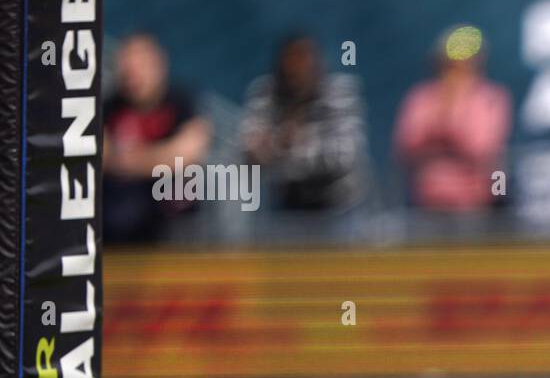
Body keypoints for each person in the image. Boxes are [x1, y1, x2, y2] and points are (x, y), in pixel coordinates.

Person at [102, 33, 211, 244]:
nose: (133, 77)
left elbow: (188, 153)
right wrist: (159, 158)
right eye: (127, 70)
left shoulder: (181, 102)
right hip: (118, 225)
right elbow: (101, 154)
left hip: (172, 224)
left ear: (157, 65)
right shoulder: (110, 108)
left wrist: (128, 161)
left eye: (139, 67)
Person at [240, 34, 368, 212]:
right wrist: (284, 144)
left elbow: (345, 156)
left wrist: (281, 147)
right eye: (290, 70)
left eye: (303, 64)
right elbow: (248, 155)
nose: (296, 72)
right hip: (285, 208)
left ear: (318, 67)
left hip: (339, 207)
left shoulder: (339, 91)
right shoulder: (264, 94)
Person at [393, 25, 512, 213]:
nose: (459, 68)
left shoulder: (491, 97)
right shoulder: (421, 97)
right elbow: (406, 147)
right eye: (452, 62)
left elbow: (481, 148)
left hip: (479, 205)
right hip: (427, 202)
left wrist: (448, 123)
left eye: (467, 61)